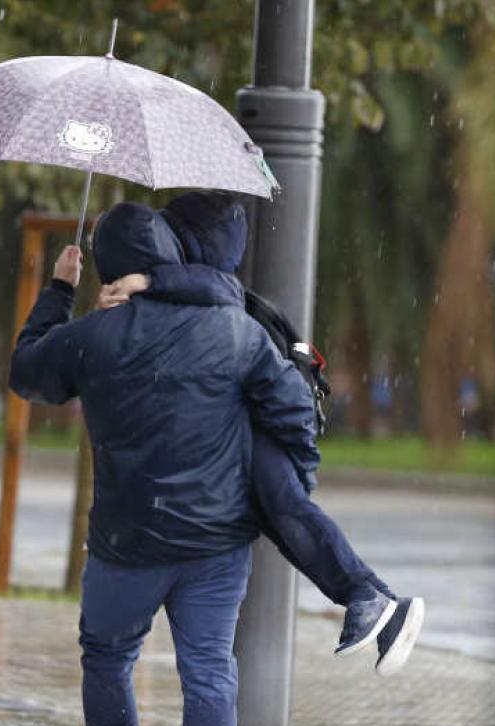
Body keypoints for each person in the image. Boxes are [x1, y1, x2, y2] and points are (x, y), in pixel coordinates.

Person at [9, 202, 319, 726]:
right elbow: (294, 407)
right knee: (209, 671)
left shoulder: (89, 338)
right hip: (217, 543)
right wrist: (294, 483)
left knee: (106, 657)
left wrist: (60, 287)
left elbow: (26, 371)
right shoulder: (234, 329)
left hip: (126, 545)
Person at [97, 191, 425, 676]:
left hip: (259, 429)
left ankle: (369, 598)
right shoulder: (204, 290)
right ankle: (382, 605)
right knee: (286, 523)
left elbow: (204, 291)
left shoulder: (214, 288)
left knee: (288, 511)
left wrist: (148, 279)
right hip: (250, 428)